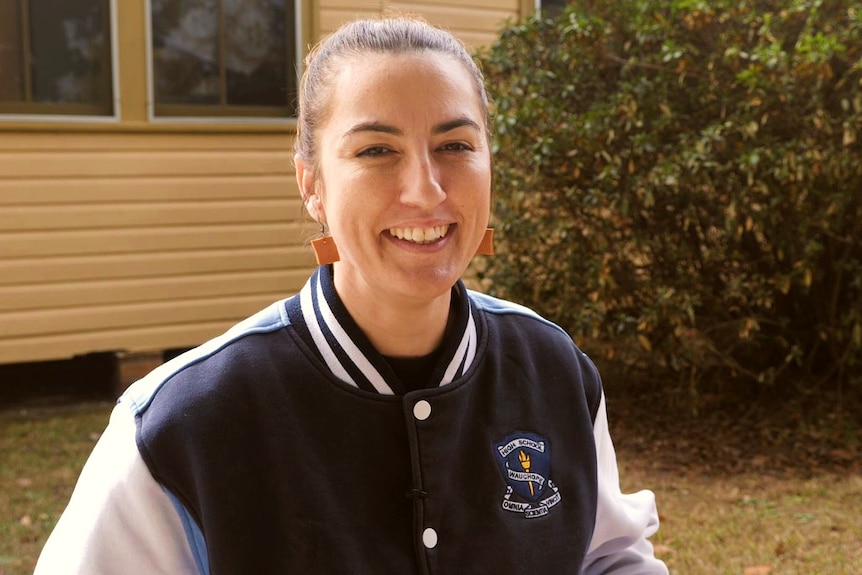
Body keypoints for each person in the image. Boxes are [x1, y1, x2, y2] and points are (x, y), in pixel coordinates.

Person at [35, 16, 668, 574]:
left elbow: (608, 557)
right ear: (312, 185)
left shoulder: (553, 367)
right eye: (376, 150)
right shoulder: (180, 426)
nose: (425, 190)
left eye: (455, 145)